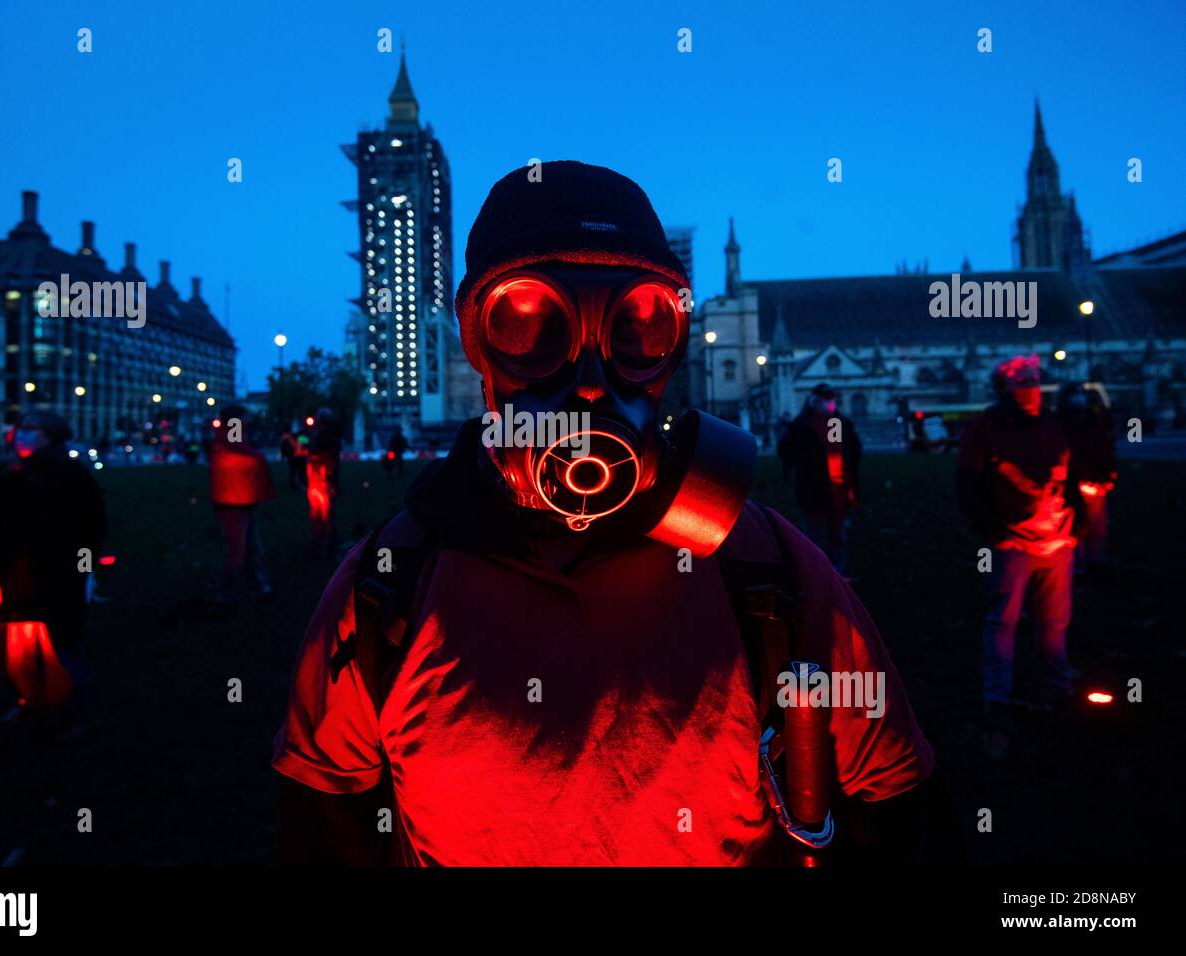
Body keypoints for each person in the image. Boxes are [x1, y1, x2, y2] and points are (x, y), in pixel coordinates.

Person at [273, 161, 957, 866]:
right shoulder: (390, 583)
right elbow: (323, 815)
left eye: (638, 325)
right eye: (531, 323)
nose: (591, 384)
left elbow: (896, 805)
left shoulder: (770, 571)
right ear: (479, 344)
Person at [957, 355, 1083, 735]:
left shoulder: (1053, 423)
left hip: (1057, 541)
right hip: (1013, 543)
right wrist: (993, 532)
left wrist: (1075, 519)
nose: (1031, 386)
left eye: (1033, 379)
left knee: (1055, 621)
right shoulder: (985, 428)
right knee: (1004, 621)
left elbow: (1071, 473)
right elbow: (968, 485)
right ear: (1004, 388)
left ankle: (1057, 686)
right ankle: (997, 697)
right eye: (1022, 380)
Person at [0, 411, 107, 726]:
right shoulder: (14, 477)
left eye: (32, 430)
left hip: (58, 573)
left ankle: (71, 712)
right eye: (20, 429)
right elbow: (0, 528)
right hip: (17, 573)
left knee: (62, 645)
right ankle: (30, 700)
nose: (23, 436)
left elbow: (91, 527)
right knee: (18, 645)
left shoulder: (72, 477)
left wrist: (82, 569)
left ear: (50, 436)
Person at [776, 384, 862, 576]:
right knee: (815, 535)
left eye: (831, 399)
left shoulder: (838, 423)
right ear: (814, 401)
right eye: (826, 399)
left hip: (838, 488)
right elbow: (785, 451)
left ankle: (837, 573)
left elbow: (849, 449)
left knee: (837, 534)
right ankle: (817, 574)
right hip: (813, 487)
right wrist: (808, 460)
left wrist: (845, 465)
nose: (829, 403)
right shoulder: (802, 426)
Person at [209, 406, 275, 602]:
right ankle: (227, 591)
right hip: (235, 499)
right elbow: (242, 452)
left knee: (248, 544)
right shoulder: (234, 429)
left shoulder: (228, 433)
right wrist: (258, 458)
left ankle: (255, 584)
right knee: (239, 548)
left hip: (237, 497)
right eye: (244, 418)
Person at [1056, 382, 1116, 574]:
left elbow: (1104, 447)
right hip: (1074, 480)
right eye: (1076, 394)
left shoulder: (1092, 419)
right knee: (1077, 524)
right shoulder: (1060, 423)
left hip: (1094, 479)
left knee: (1096, 524)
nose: (1079, 397)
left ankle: (1094, 559)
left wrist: (1108, 473)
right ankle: (1079, 562)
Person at [304, 409, 343, 558]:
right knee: (326, 515)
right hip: (325, 482)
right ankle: (327, 546)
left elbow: (309, 449)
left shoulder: (320, 437)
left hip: (317, 481)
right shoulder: (331, 438)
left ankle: (319, 544)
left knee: (318, 515)